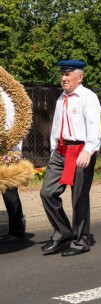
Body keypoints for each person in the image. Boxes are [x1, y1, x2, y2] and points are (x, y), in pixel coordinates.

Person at [40, 60, 101, 256]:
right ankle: (63, 232)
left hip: (80, 151)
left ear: (80, 77)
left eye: (68, 74)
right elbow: (56, 126)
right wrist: (53, 150)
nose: (63, 78)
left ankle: (81, 241)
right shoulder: (61, 98)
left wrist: (89, 150)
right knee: (47, 193)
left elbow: (95, 127)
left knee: (79, 198)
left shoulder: (87, 97)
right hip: (61, 151)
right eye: (62, 74)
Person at [0, 86, 26, 243]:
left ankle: (17, 229)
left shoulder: (5, 98)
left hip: (6, 150)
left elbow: (10, 126)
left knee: (9, 192)